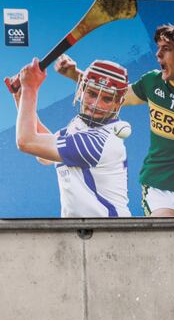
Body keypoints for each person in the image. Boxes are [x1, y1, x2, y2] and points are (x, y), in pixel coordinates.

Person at [57, 22, 174, 216]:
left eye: (166, 49)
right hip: (160, 190)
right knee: (168, 242)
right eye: (158, 48)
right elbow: (114, 95)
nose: (158, 55)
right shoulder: (152, 82)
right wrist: (74, 74)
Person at [7, 58, 132, 218]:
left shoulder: (98, 141)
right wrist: (21, 98)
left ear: (117, 104)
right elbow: (45, 156)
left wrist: (30, 88)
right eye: (92, 94)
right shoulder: (80, 125)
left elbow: (27, 142)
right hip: (84, 231)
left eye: (107, 99)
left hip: (109, 233)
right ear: (81, 90)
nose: (96, 105)